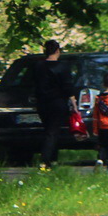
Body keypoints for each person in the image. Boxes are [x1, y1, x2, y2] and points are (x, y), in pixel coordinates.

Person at [31, 39, 75, 168]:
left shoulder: (38, 66)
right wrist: (73, 102)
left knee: (50, 130)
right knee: (53, 131)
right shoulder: (62, 67)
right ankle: (45, 160)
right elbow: (68, 86)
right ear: (57, 51)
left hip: (42, 102)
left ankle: (53, 158)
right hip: (57, 102)